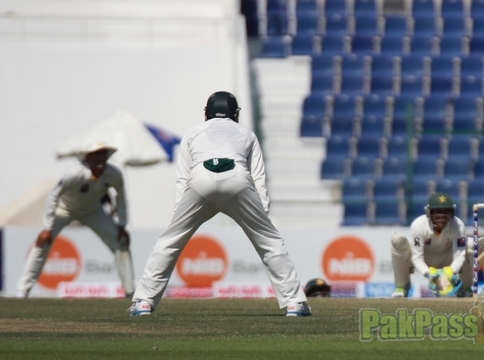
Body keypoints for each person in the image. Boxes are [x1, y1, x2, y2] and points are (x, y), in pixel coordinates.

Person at [129, 91, 310, 317]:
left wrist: (180, 214)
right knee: (270, 242)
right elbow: (259, 178)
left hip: (200, 179)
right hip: (237, 178)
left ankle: (143, 302)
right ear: (235, 114)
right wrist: (262, 216)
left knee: (169, 242)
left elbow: (182, 178)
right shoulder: (247, 133)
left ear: (207, 113)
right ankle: (294, 303)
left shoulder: (193, 132)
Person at [16, 142, 135, 297]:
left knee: (121, 242)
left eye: (103, 154)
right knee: (42, 243)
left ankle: (130, 292)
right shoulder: (74, 173)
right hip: (64, 209)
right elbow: (53, 195)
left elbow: (121, 197)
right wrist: (47, 228)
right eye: (96, 154)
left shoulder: (114, 173)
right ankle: (23, 290)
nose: (100, 158)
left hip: (92, 210)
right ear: (88, 157)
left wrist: (122, 226)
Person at [390, 192, 472, 298]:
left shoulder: (458, 225)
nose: (441, 217)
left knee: (471, 245)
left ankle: (465, 288)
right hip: (426, 257)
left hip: (447, 258)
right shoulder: (419, 225)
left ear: (451, 213)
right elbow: (417, 257)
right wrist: (428, 273)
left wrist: (450, 272)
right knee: (399, 243)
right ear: (429, 212)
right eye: (438, 211)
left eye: (445, 212)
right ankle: (401, 287)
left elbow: (459, 255)